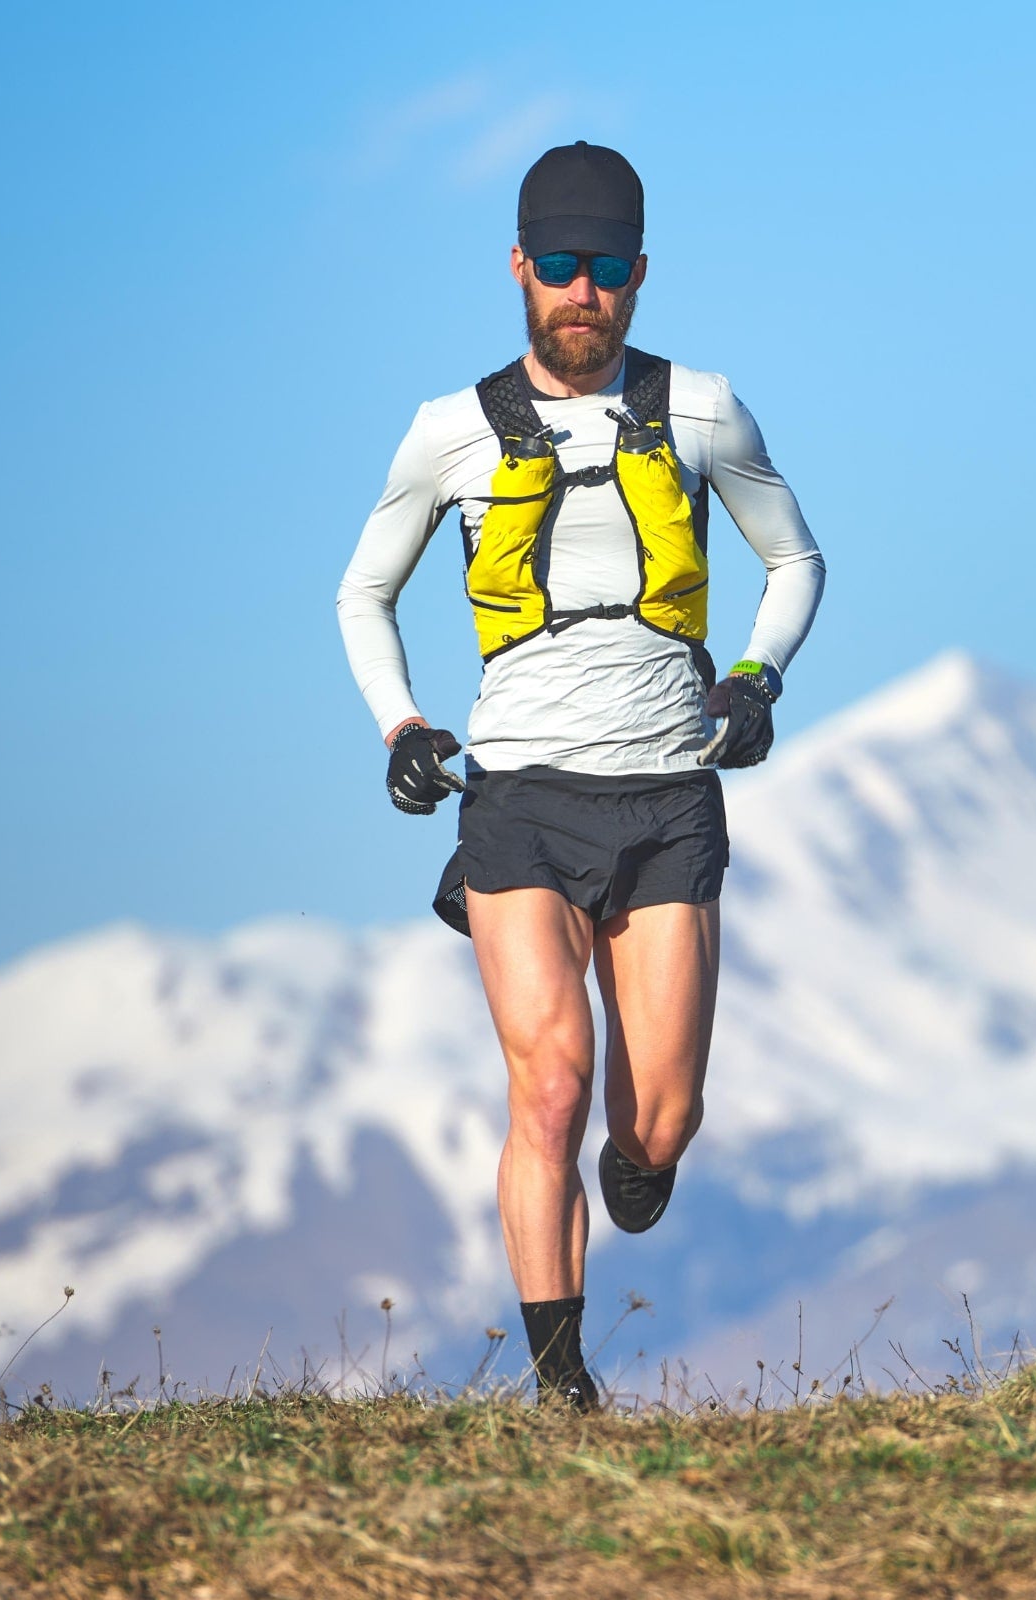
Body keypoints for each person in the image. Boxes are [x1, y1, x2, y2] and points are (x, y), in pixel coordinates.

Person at [334, 142, 825, 1410]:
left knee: (657, 1120)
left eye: (605, 270)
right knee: (546, 1077)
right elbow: (363, 593)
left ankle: (641, 1156)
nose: (581, 293)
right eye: (558, 266)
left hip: (666, 794)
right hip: (518, 799)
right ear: (518, 268)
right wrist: (402, 728)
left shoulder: (705, 408)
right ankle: (562, 1385)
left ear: (640, 276)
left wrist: (755, 682)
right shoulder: (449, 431)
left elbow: (796, 563)